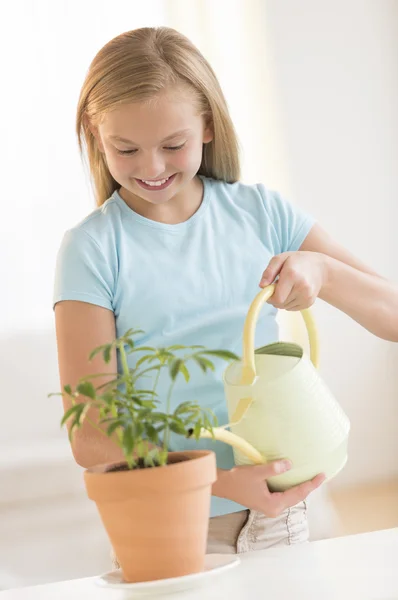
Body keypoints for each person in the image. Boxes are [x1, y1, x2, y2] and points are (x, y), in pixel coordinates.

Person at [53, 26, 398, 556]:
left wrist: (324, 272)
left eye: (173, 144)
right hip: (171, 516)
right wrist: (216, 479)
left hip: (284, 505)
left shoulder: (262, 214)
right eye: (126, 148)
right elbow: (91, 432)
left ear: (208, 126)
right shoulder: (93, 250)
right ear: (94, 134)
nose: (152, 168)